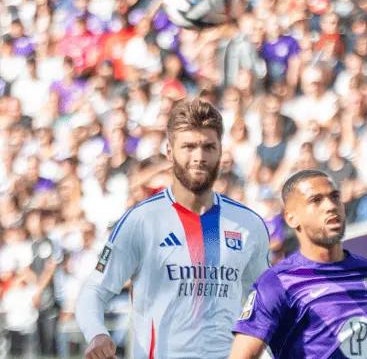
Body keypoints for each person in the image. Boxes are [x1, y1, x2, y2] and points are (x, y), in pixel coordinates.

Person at [75, 99, 270, 359]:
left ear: (220, 151)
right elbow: (94, 290)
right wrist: (98, 334)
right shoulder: (141, 221)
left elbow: (264, 304)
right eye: (188, 146)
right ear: (169, 151)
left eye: (208, 147)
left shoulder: (249, 225)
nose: (199, 157)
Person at [229, 170, 367, 359]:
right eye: (316, 200)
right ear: (291, 218)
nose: (330, 206)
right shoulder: (277, 283)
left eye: (335, 197)